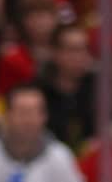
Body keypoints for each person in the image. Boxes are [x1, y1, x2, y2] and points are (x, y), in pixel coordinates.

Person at [40, 23, 98, 151]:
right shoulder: (39, 93)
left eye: (84, 49)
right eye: (73, 50)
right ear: (55, 53)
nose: (80, 57)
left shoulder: (99, 88)